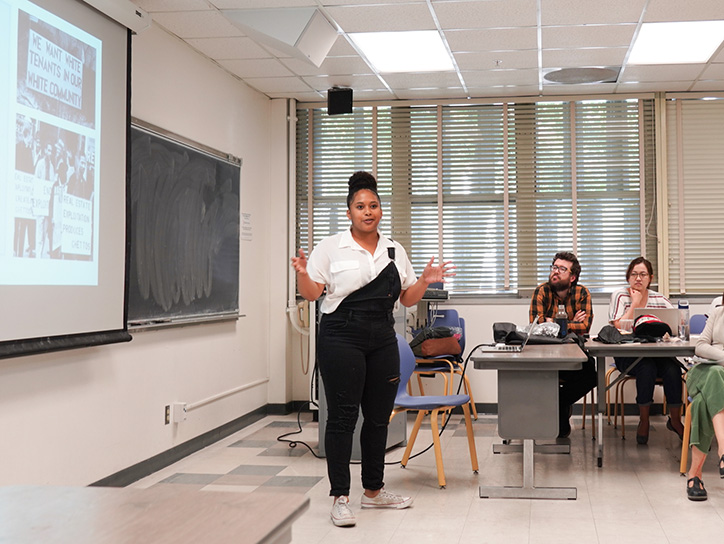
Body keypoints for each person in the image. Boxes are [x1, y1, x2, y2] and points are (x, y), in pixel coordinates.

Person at [291, 171, 454, 527]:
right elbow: (313, 294)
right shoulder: (330, 248)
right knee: (343, 418)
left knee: (379, 417)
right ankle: (340, 497)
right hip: (341, 336)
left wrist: (424, 281)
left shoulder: (394, 249)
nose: (368, 212)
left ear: (381, 209)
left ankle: (374, 492)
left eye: (374, 205)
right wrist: (303, 273)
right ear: (348, 212)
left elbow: (406, 297)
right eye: (360, 206)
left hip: (382, 337)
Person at [608, 256, 684, 445]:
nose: (638, 279)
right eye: (634, 274)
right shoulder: (620, 296)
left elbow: (678, 322)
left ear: (650, 278)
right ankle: (644, 419)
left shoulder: (659, 298)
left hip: (657, 354)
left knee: (673, 368)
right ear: (628, 277)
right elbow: (618, 325)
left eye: (643, 274)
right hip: (628, 355)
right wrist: (635, 302)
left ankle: (675, 420)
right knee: (646, 367)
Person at [530, 251, 596, 438]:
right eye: (554, 267)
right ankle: (558, 411)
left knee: (591, 374)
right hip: (545, 355)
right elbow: (538, 326)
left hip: (574, 353)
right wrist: (568, 322)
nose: (555, 272)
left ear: (572, 277)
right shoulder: (541, 291)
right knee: (534, 376)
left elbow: (584, 326)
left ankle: (559, 404)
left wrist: (555, 322)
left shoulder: (582, 293)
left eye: (561, 269)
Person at [685, 295, 724, 501]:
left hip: (717, 382)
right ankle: (723, 452)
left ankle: (695, 475)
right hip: (704, 371)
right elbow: (700, 346)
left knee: (701, 403)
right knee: (716, 374)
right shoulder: (718, 312)